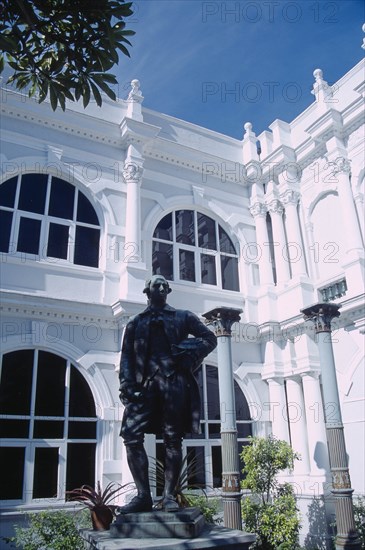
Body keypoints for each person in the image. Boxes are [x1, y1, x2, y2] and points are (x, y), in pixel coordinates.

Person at [118, 275, 217, 513]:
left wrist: (187, 354)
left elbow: (209, 338)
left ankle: (169, 496)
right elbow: (127, 357)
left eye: (164, 285)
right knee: (131, 435)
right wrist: (126, 385)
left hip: (174, 383)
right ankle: (143, 495)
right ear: (147, 291)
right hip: (145, 386)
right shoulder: (135, 322)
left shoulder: (183, 316)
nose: (161, 288)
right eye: (156, 285)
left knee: (173, 438)